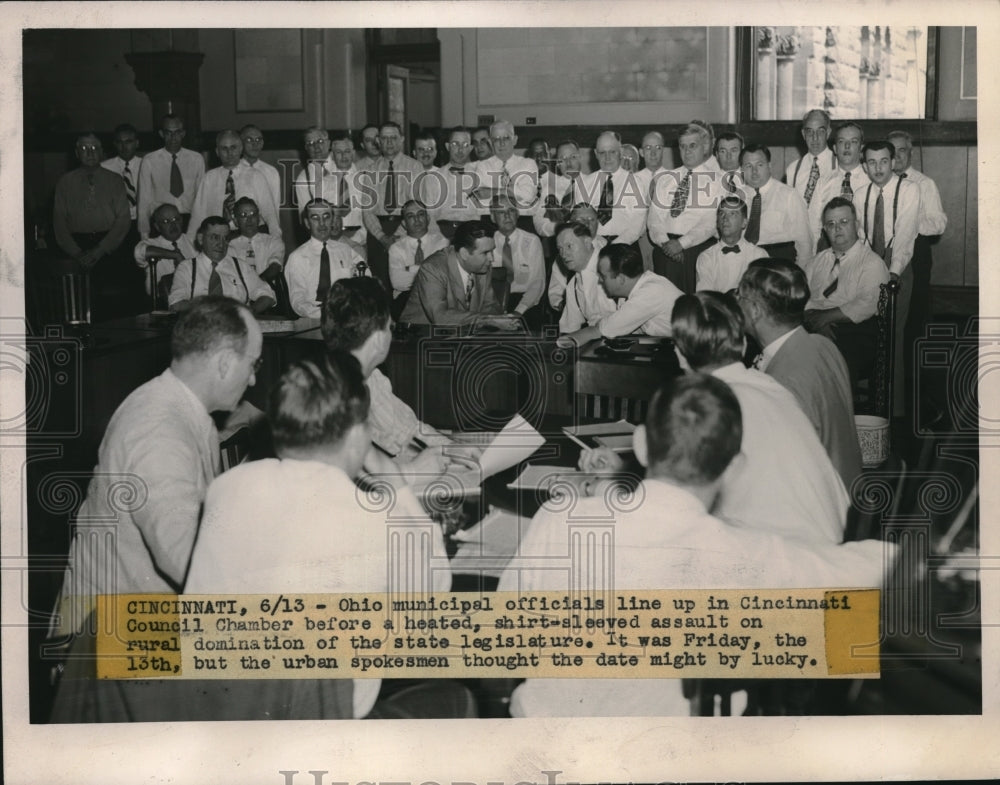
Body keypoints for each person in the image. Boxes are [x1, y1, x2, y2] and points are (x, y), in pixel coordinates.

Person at [499, 373, 890, 717]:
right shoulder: (746, 556)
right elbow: (872, 567)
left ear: (643, 448)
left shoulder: (557, 520)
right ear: (733, 468)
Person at [186, 354, 473, 721]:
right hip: (324, 725)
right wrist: (394, 480)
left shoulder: (227, 488)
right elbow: (434, 594)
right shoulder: (370, 518)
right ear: (357, 436)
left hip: (223, 711)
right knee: (456, 696)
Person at [48, 297, 263, 722]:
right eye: (252, 364)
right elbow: (184, 557)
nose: (253, 379)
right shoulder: (160, 429)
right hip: (103, 653)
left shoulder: (173, 402)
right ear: (222, 363)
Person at [670, 291, 850, 543]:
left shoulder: (710, 405)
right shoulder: (772, 385)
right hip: (834, 534)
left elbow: (682, 506)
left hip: (789, 556)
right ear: (743, 344)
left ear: (679, 354)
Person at [738, 258, 863, 489]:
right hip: (849, 496)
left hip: (817, 510)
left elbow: (776, 478)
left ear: (755, 310)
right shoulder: (823, 345)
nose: (736, 302)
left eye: (740, 296)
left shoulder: (780, 386)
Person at [321, 277, 454, 462]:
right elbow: (399, 441)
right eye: (389, 328)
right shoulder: (348, 388)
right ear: (378, 339)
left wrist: (452, 448)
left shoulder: (370, 377)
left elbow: (407, 429)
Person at [854, 139, 921, 414]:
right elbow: (860, 236)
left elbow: (905, 236)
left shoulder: (910, 190)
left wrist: (892, 274)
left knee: (892, 336)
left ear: (893, 162)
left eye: (883, 161)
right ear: (864, 165)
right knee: (866, 333)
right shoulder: (860, 194)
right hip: (869, 268)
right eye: (871, 162)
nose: (878, 168)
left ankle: (893, 410)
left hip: (898, 270)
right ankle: (866, 403)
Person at [803, 197, 890, 385]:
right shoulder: (815, 262)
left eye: (844, 222)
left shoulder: (872, 263)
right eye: (831, 224)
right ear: (825, 229)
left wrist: (825, 318)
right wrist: (816, 322)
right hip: (812, 323)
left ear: (856, 225)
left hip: (854, 330)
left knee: (836, 362)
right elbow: (801, 297)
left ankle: (837, 410)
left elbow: (867, 304)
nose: (837, 228)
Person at [52, 132, 139, 320]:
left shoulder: (115, 180)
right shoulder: (65, 182)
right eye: (84, 149)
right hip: (76, 248)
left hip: (108, 247)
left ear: (102, 152)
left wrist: (100, 250)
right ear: (76, 153)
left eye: (94, 148)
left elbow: (123, 220)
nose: (89, 153)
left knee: (113, 307)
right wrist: (77, 253)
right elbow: (59, 224)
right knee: (79, 305)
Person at [888, 129, 948, 384]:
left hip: (917, 253)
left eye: (903, 150)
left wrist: (910, 222)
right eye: (893, 151)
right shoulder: (882, 182)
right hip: (888, 252)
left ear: (910, 152)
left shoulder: (924, 184)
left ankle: (913, 379)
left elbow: (938, 224)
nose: (898, 156)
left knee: (915, 315)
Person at [558, 243, 681, 346]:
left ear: (621, 279)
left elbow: (603, 329)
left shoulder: (651, 291)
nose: (600, 280)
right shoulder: (630, 293)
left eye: (603, 276)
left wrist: (560, 344)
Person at [398, 221, 516, 327]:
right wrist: (487, 320)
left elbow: (490, 306)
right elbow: (440, 317)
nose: (491, 258)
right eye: (485, 253)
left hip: (458, 336)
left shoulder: (483, 266)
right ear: (464, 253)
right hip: (416, 338)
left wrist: (503, 320)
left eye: (492, 251)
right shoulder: (432, 269)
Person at [647, 123, 720, 293]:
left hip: (698, 250)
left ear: (704, 147)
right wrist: (666, 243)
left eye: (693, 146)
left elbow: (710, 222)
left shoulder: (717, 181)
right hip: (665, 250)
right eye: (683, 146)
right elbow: (654, 219)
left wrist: (681, 244)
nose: (687, 151)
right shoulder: (666, 180)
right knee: (666, 309)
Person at [361, 122, 424, 292]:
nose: (389, 142)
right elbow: (367, 210)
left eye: (393, 138)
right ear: (378, 141)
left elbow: (416, 207)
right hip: (377, 231)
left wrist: (397, 237)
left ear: (402, 139)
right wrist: (382, 237)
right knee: (379, 286)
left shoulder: (414, 167)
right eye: (384, 138)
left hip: (405, 229)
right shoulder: (371, 170)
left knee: (406, 283)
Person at [187, 129, 281, 243]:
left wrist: (276, 243)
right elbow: (197, 216)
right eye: (224, 148)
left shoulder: (256, 176)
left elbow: (270, 214)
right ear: (217, 152)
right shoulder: (209, 178)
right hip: (217, 239)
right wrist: (190, 247)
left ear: (241, 149)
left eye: (233, 147)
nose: (229, 153)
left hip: (249, 238)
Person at [168, 216, 275, 313]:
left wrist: (251, 311)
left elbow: (267, 295)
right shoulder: (187, 268)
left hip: (237, 326)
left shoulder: (241, 266)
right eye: (215, 237)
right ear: (201, 239)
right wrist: (210, 308)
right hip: (200, 326)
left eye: (226, 239)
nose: (221, 244)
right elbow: (176, 303)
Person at [286, 199, 366, 318]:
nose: (322, 223)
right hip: (312, 318)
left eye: (326, 217)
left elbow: (366, 284)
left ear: (332, 220)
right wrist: (324, 314)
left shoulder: (347, 251)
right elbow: (298, 301)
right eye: (315, 218)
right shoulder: (297, 257)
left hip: (346, 316)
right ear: (307, 223)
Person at [294, 129, 368, 258]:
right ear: (306, 148)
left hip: (359, 238)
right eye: (310, 143)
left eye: (320, 141)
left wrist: (357, 239)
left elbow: (366, 209)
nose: (316, 146)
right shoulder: (304, 178)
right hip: (328, 242)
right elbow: (305, 218)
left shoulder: (349, 165)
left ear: (329, 143)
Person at [736, 143, 812, 263]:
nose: (754, 171)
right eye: (748, 166)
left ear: (769, 166)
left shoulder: (789, 195)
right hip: (742, 260)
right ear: (741, 170)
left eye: (759, 165)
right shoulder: (735, 198)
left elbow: (804, 242)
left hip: (778, 261)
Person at [572, 131, 648, 247]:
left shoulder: (635, 183)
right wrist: (596, 245)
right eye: (602, 153)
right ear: (596, 154)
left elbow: (637, 225)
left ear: (620, 152)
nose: (607, 158)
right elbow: (580, 221)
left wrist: (614, 247)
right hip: (593, 247)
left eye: (612, 152)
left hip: (625, 246)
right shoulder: (585, 184)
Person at [137, 114, 205, 238]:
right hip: (161, 222)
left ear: (183, 133)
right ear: (161, 134)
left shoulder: (196, 159)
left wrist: (198, 229)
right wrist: (144, 234)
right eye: (168, 133)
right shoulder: (149, 160)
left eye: (177, 132)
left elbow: (201, 198)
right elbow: (144, 200)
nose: (173, 137)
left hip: (188, 221)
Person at [808, 122, 870, 249]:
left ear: (861, 148)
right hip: (829, 248)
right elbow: (814, 224)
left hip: (864, 249)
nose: (847, 146)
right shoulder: (823, 181)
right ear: (835, 148)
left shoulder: (870, 180)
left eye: (853, 141)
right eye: (842, 141)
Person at [471, 119, 538, 227]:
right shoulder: (483, 166)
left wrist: (492, 192)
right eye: (496, 139)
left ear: (515, 139)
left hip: (522, 221)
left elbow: (528, 196)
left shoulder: (528, 164)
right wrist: (514, 192)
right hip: (490, 222)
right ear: (491, 142)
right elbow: (480, 200)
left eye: (506, 138)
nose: (501, 143)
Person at [388, 199, 448, 318]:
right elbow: (397, 282)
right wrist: (429, 271)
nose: (417, 220)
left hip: (436, 298)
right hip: (404, 300)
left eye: (421, 214)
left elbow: (444, 278)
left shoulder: (442, 243)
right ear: (404, 223)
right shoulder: (396, 248)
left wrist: (409, 269)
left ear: (428, 218)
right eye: (411, 216)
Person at [489, 195, 546, 322]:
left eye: (511, 211)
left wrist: (518, 312)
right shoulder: (487, 242)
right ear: (493, 217)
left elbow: (537, 283)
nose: (507, 216)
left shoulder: (532, 241)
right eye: (501, 212)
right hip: (492, 302)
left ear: (518, 214)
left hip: (525, 303)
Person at [555, 220, 617, 335]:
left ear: (587, 242)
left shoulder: (614, 267)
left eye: (569, 246)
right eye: (560, 249)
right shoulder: (573, 285)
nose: (563, 254)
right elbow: (569, 328)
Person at [695, 196, 767, 293]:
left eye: (732, 214)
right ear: (717, 222)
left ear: (744, 222)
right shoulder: (706, 257)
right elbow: (705, 298)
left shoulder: (759, 256)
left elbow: (762, 295)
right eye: (721, 213)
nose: (725, 218)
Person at [133, 203, 196, 307]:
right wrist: (175, 255)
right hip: (160, 302)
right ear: (157, 227)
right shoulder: (151, 243)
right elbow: (139, 253)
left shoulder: (193, 241)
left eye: (176, 219)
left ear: (182, 221)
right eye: (166, 222)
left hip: (192, 299)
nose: (173, 225)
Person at [430, 126, 481, 239]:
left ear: (471, 148)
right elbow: (429, 215)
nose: (460, 150)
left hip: (472, 233)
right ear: (447, 146)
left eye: (465, 145)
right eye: (455, 144)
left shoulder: (480, 176)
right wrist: (438, 238)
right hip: (442, 232)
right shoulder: (435, 177)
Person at [226, 196, 286, 286]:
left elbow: (275, 266)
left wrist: (255, 286)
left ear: (258, 218)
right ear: (236, 221)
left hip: (268, 292)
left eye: (252, 214)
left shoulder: (273, 242)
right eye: (243, 215)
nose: (249, 219)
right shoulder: (230, 247)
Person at [785, 109, 835, 209]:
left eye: (820, 131)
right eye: (810, 132)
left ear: (828, 133)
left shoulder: (839, 165)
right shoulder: (793, 169)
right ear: (803, 134)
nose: (815, 138)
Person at [532, 139, 582, 239]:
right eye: (563, 158)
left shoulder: (593, 184)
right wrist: (558, 227)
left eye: (573, 157)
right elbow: (539, 223)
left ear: (580, 158)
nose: (568, 162)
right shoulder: (549, 189)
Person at [100, 123, 143, 233]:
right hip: (114, 224)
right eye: (119, 142)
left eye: (128, 142)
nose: (124, 147)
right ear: (114, 144)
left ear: (137, 143)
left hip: (142, 222)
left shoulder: (146, 165)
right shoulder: (104, 167)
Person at [239, 124, 282, 213]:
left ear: (262, 143)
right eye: (249, 140)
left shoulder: (271, 172)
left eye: (258, 139)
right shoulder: (234, 170)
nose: (255, 144)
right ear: (240, 143)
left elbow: (275, 208)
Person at [714, 130, 744, 195]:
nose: (728, 156)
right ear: (717, 155)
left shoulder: (750, 180)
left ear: (742, 153)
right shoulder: (709, 181)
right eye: (723, 151)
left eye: (733, 151)